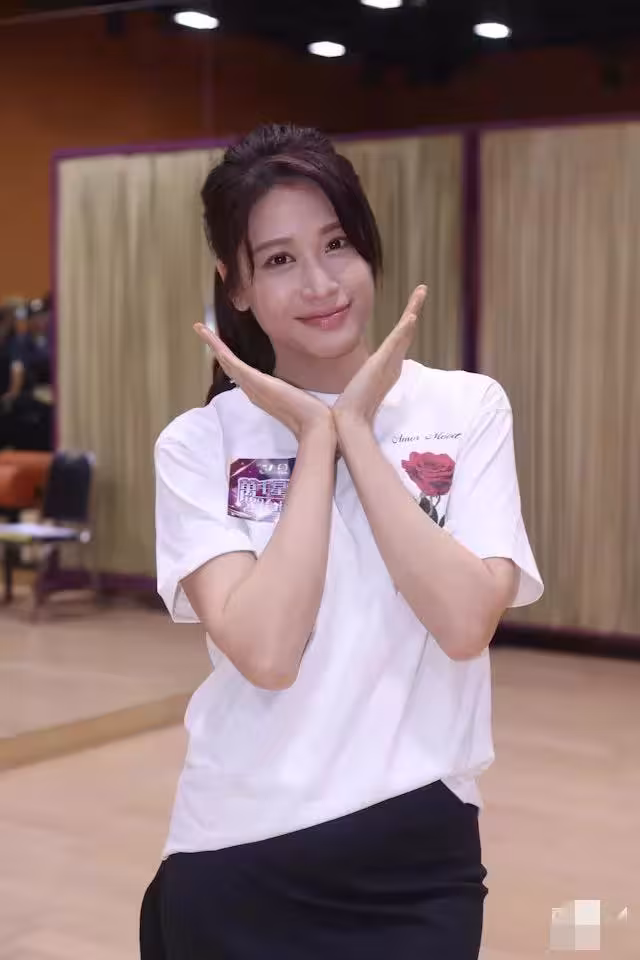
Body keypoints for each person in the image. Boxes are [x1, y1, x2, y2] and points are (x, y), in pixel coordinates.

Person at [141, 123, 543, 959]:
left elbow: (465, 621)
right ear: (236, 286)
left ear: (368, 248)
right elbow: (268, 651)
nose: (320, 283)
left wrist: (352, 429)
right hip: (235, 852)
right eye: (279, 259)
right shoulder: (198, 443)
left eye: (336, 245)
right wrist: (314, 436)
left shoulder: (467, 409)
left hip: (418, 866)